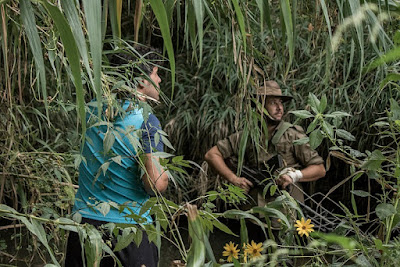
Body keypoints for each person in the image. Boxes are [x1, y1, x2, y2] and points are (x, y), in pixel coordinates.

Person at [65, 46, 168, 267]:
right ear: (141, 81)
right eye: (156, 74)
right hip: (128, 233)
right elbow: (155, 183)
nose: (159, 80)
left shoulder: (90, 110)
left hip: (83, 227)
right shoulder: (146, 120)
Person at [205, 80, 326, 231]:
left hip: (286, 211)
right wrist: (234, 179)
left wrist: (294, 175)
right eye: (273, 103)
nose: (279, 107)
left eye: (280, 102)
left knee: (286, 251)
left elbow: (319, 168)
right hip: (253, 212)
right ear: (260, 107)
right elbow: (212, 155)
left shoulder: (292, 134)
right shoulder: (247, 135)